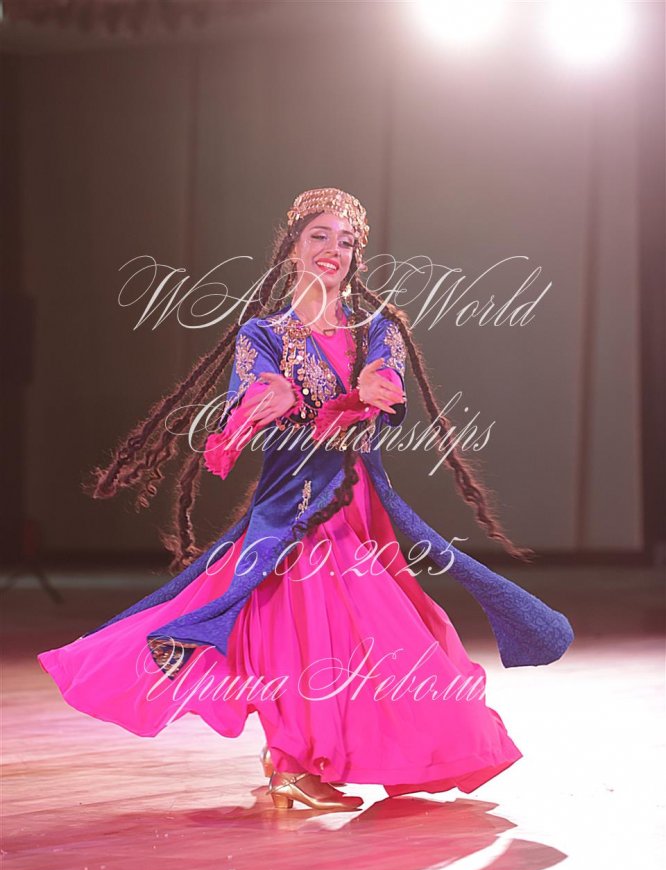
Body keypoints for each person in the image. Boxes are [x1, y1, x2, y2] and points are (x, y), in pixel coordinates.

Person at [37, 187, 573, 812]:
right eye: (320, 236)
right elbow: (249, 395)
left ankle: (296, 762)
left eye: (346, 242)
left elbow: (387, 377)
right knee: (295, 633)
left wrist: (377, 385)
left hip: (357, 510)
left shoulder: (378, 329)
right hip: (289, 511)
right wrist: (265, 399)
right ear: (293, 247)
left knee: (382, 638)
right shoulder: (262, 335)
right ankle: (292, 764)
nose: (333, 250)